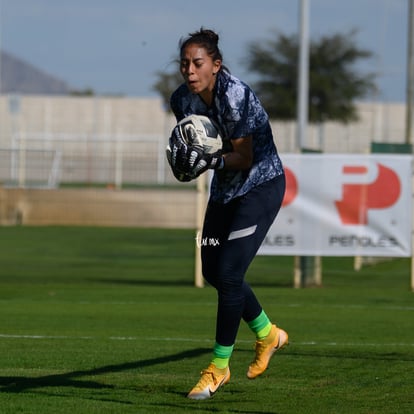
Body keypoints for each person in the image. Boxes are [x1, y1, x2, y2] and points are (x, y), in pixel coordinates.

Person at [167, 28, 288, 400]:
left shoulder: (234, 96)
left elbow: (244, 158)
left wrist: (207, 160)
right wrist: (187, 162)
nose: (189, 70)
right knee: (211, 271)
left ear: (216, 65)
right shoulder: (181, 100)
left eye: (198, 63)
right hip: (224, 191)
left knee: (231, 272)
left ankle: (218, 368)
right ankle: (268, 334)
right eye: (185, 63)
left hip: (260, 185)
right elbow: (194, 150)